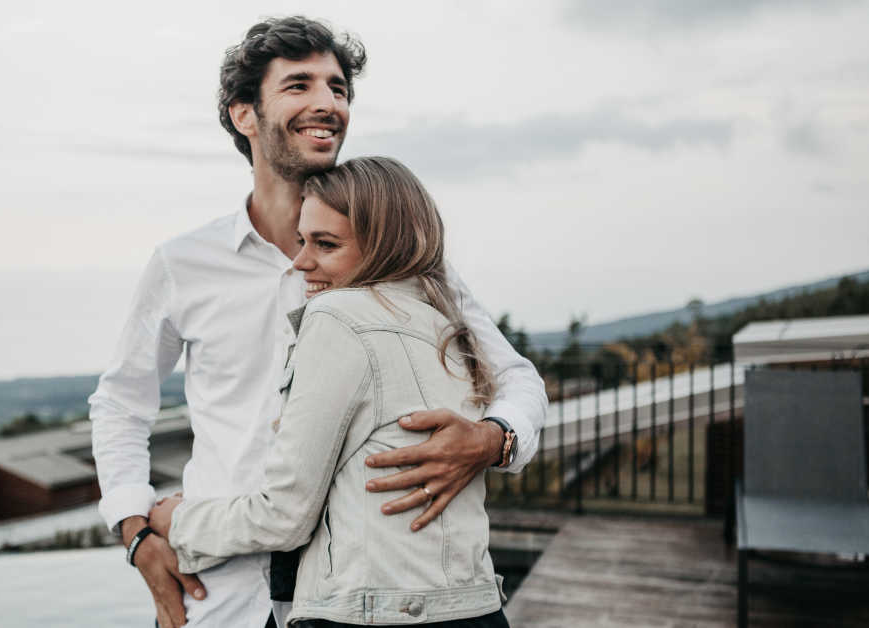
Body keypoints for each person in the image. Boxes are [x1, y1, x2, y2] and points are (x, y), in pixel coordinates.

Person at [89, 16, 547, 628]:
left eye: (338, 88)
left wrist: (493, 440)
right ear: (244, 114)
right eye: (299, 85)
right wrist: (136, 532)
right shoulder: (182, 265)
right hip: (220, 592)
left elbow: (516, 377)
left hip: (365, 602)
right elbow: (121, 403)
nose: (327, 104)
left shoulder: (407, 261)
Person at [148, 156, 512, 628]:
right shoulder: (449, 328)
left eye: (326, 244)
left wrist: (176, 521)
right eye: (302, 240)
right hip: (475, 608)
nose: (301, 263)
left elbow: (285, 515)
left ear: (384, 246)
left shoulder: (337, 317)